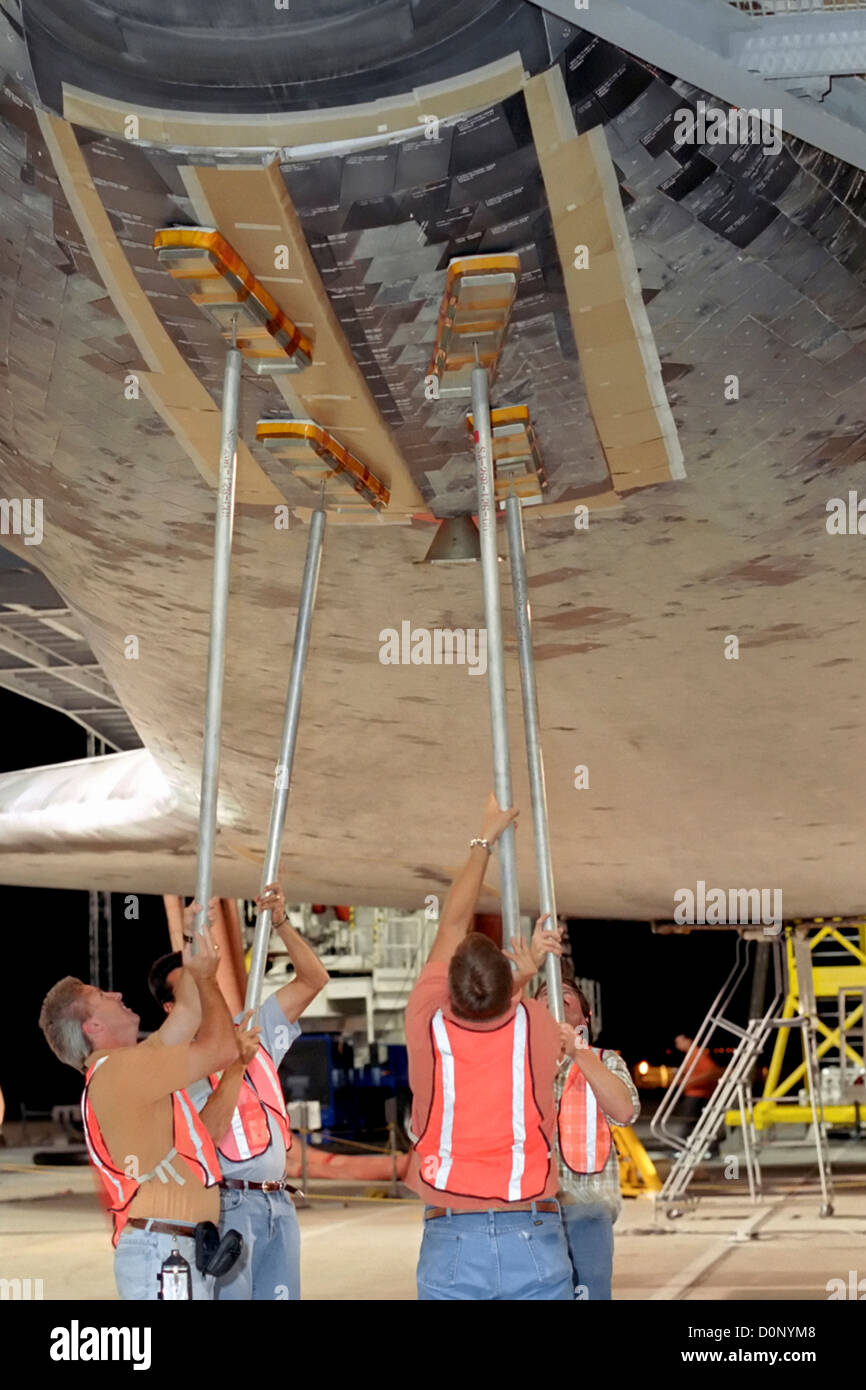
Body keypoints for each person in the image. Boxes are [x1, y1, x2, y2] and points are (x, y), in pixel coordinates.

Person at [405, 791, 573, 1301]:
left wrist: (484, 839)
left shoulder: (425, 1019)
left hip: (453, 1232)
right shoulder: (541, 1025)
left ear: (448, 986)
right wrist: (526, 971)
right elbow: (507, 1018)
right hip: (533, 1232)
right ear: (510, 987)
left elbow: (453, 923)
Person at [38, 900, 237, 1299]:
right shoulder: (119, 1071)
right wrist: (208, 978)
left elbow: (187, 1012)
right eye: (101, 995)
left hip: (172, 1249)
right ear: (92, 1026)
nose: (117, 993)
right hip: (166, 1253)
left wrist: (190, 940)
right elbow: (222, 1049)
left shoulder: (121, 1069)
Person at [148, 882, 329, 1300]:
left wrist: (280, 920)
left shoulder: (250, 1029)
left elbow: (313, 978)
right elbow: (205, 1138)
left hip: (278, 1204)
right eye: (192, 984)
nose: (204, 989)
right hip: (229, 1206)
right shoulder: (174, 1066)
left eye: (204, 977)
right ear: (170, 1009)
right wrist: (237, 1067)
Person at [538, 966, 639, 1301]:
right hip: (530, 1211)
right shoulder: (517, 1065)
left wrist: (578, 1051)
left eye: (566, 996)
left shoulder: (603, 1061)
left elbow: (624, 1112)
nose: (555, 1000)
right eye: (544, 997)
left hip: (585, 1210)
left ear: (586, 1015)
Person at [674, 1033, 723, 1150]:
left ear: (689, 1040)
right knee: (695, 1123)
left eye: (679, 1042)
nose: (677, 1046)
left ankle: (681, 1148)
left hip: (697, 1095)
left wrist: (689, 1082)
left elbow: (711, 1071)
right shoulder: (691, 1055)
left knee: (690, 1122)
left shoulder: (696, 1054)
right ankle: (708, 1147)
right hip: (695, 1094)